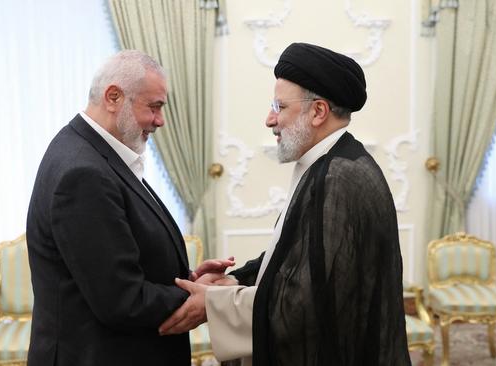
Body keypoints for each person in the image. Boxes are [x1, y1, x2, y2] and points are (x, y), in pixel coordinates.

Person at [159, 43, 411, 366]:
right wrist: (234, 280)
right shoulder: (328, 163)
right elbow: (296, 255)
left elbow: (304, 305)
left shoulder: (340, 177)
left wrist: (213, 303)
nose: (269, 119)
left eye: (279, 106)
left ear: (318, 112)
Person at [26, 50, 232, 366]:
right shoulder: (83, 173)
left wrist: (183, 276)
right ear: (113, 97)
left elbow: (113, 258)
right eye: (154, 107)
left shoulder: (95, 153)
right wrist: (196, 294)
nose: (161, 120)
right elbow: (120, 299)